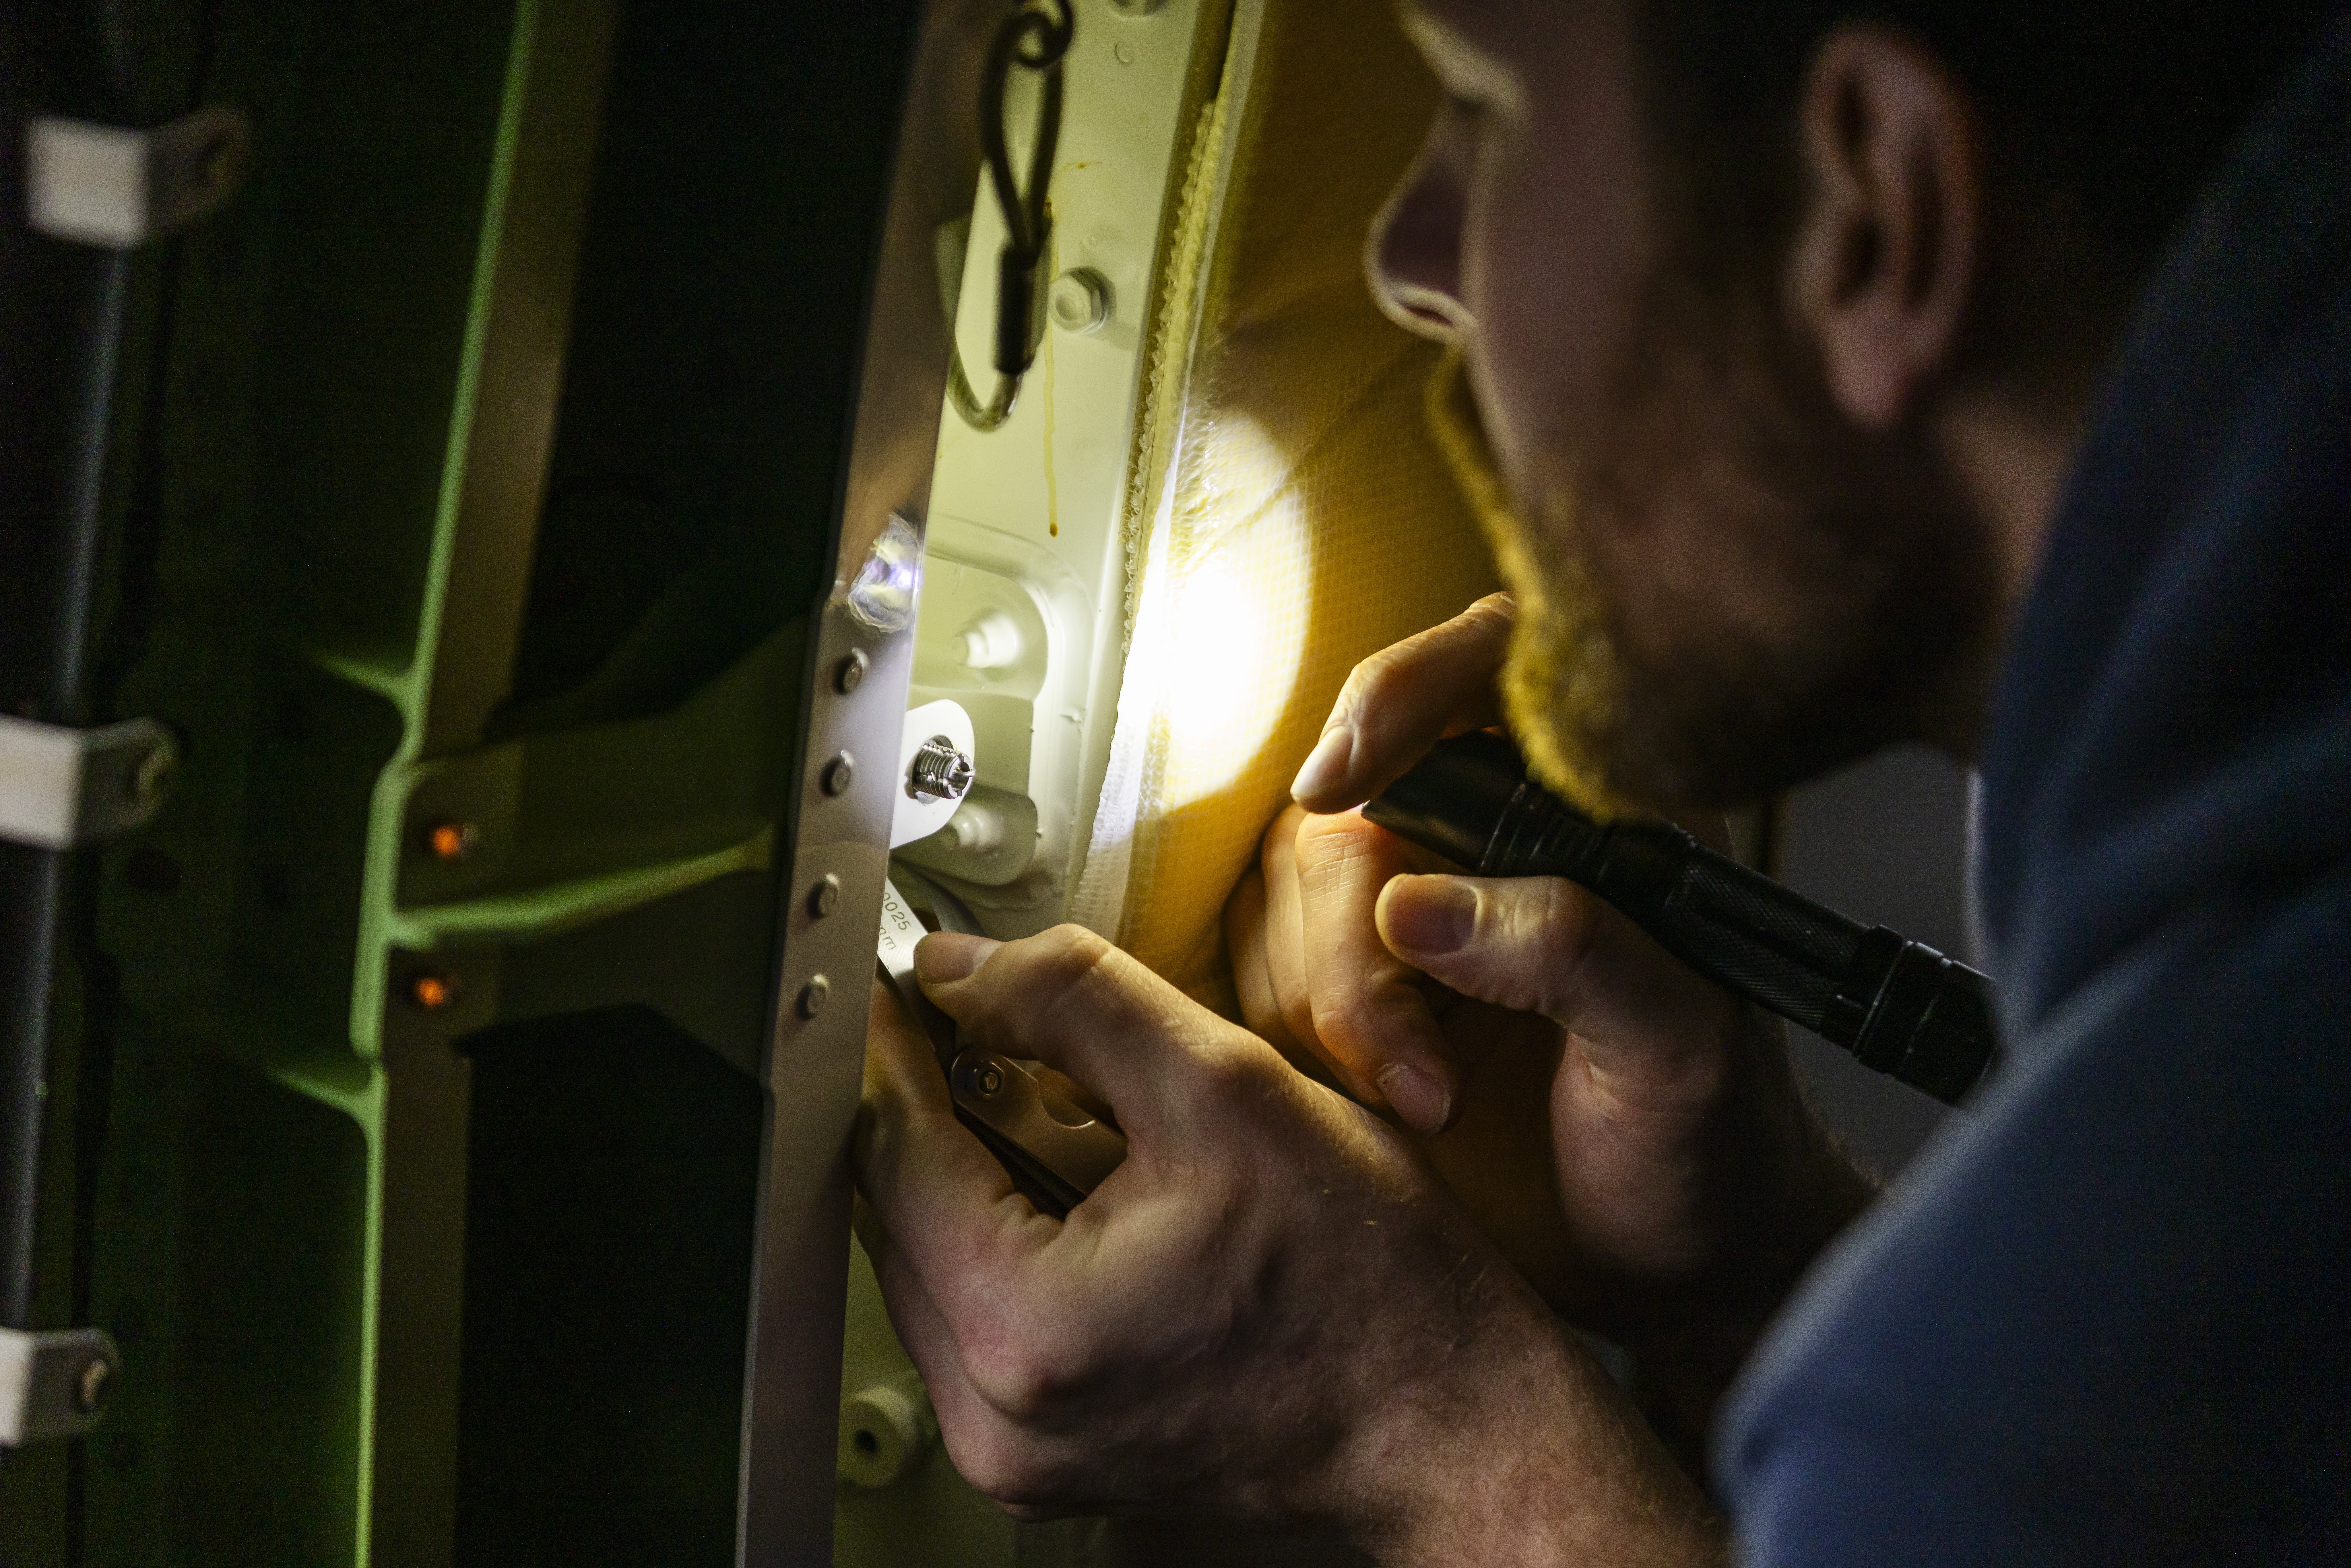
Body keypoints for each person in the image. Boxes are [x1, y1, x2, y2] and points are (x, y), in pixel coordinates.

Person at [854, 0, 2351, 1560]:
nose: (1409, 261)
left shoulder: (2150, 1288)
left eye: (1486, 116)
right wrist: (1751, 1260)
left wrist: (1412, 1422)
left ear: (1875, 212)